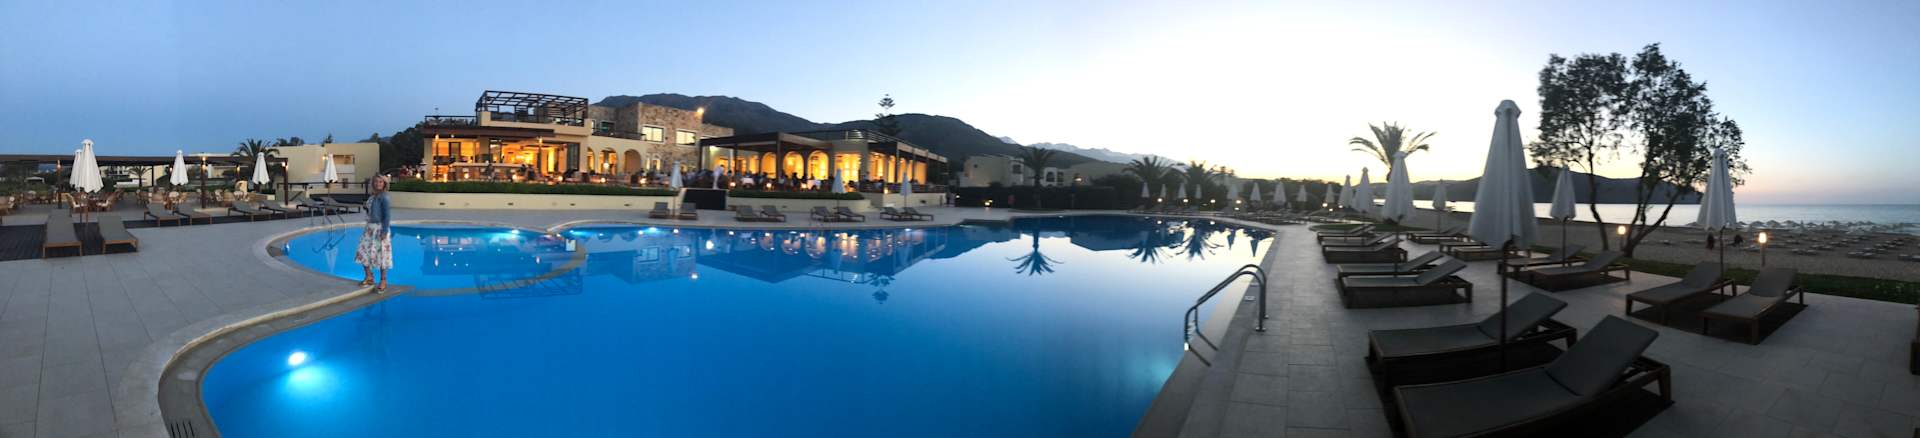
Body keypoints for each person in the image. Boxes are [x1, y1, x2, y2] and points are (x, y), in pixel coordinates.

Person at [357, 175, 394, 292]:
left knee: (382, 254)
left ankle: (383, 280)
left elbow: (387, 216)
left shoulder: (384, 197)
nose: (378, 184)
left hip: (380, 228)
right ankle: (369, 276)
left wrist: (384, 231)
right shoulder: (373, 196)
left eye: (381, 182)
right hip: (369, 228)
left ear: (384, 184)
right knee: (363, 252)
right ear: (373, 183)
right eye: (376, 182)